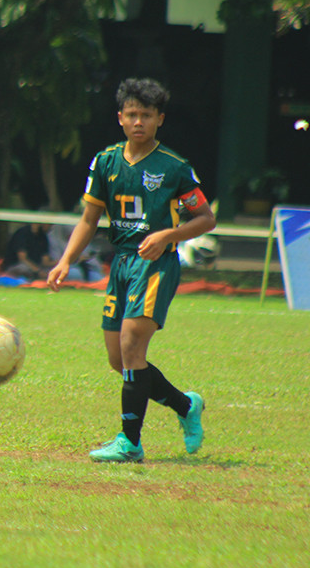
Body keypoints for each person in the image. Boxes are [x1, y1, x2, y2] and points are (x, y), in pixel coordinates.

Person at [47, 78, 216, 463]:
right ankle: (186, 405)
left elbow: (206, 219)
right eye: (132, 114)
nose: (138, 121)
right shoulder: (105, 162)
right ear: (120, 118)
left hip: (155, 264)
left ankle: (130, 442)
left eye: (147, 115)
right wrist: (65, 261)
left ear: (160, 119)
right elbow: (89, 219)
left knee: (131, 345)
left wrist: (168, 235)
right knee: (119, 359)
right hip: (121, 264)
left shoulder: (175, 168)